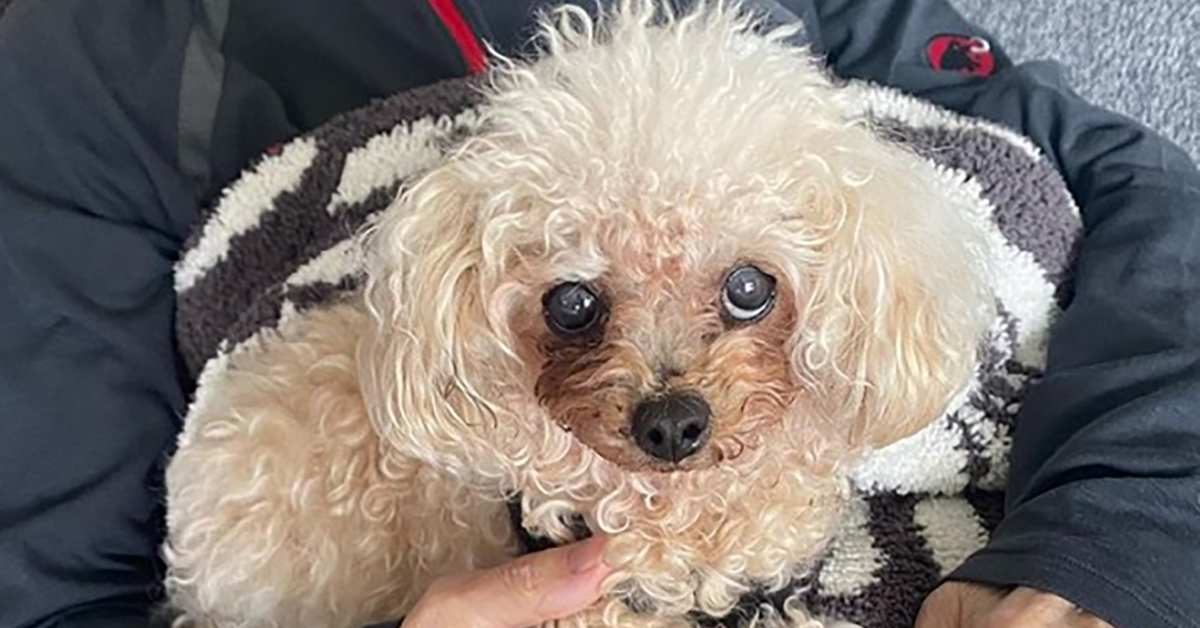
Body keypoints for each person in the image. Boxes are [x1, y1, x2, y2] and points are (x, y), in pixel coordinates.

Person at [0, 1, 1196, 627]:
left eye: (742, 292)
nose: (670, 395)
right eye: (579, 304)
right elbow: (54, 601)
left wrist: (1116, 543)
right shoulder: (85, 63)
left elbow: (1123, 185)